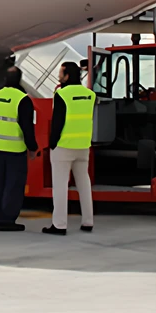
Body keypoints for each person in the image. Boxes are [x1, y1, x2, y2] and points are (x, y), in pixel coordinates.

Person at [43, 61, 94, 235]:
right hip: (83, 146)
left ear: (67, 76)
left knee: (60, 186)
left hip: (64, 146)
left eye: (61, 73)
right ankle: (88, 221)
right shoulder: (90, 94)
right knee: (84, 184)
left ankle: (59, 225)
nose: (59, 76)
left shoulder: (62, 94)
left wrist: (52, 143)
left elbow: (58, 122)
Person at [0, 66, 38, 231]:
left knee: (0, 185)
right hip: (15, 150)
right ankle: (8, 221)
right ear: (19, 79)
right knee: (14, 186)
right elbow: (27, 127)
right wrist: (32, 147)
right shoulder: (22, 99)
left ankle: (0, 218)